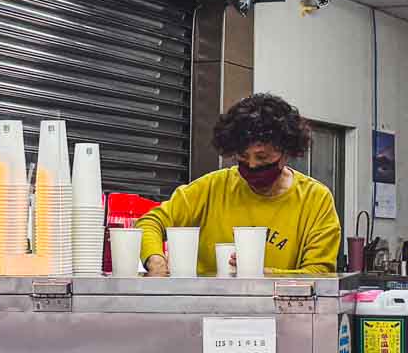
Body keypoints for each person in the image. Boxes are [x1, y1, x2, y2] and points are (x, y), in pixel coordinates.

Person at [138, 93, 340, 276]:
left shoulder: (315, 200)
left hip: (281, 312)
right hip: (208, 310)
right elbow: (150, 223)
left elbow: (319, 274)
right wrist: (155, 260)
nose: (252, 165)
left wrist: (262, 275)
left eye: (262, 157)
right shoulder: (212, 188)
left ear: (286, 153)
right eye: (243, 157)